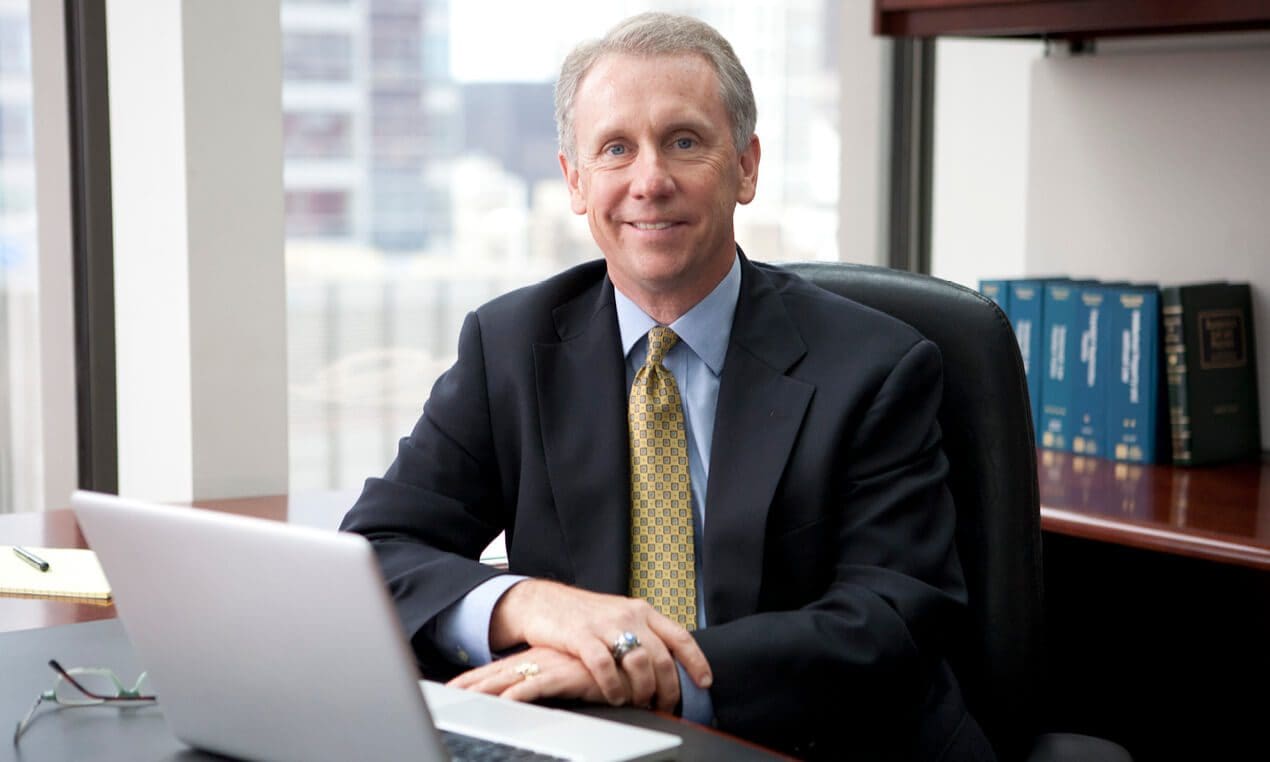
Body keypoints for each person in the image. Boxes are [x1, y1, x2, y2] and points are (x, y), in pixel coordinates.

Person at [341, 12, 994, 760]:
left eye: (684, 142)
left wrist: (644, 673)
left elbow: (893, 617)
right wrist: (530, 604)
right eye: (616, 149)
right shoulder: (510, 347)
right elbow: (377, 550)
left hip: (817, 743)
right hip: (584, 740)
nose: (649, 181)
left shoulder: (878, 364)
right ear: (576, 182)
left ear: (746, 167)